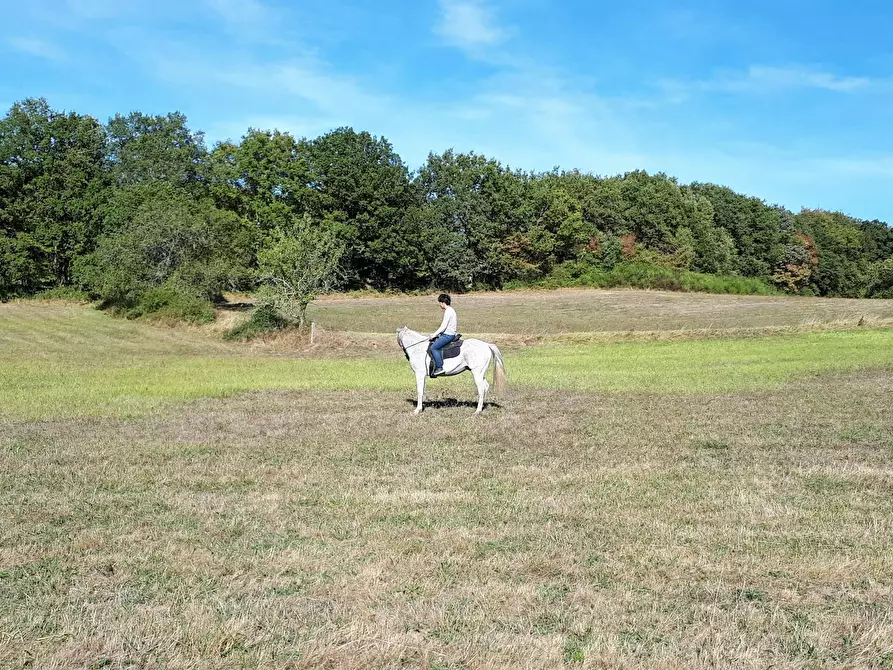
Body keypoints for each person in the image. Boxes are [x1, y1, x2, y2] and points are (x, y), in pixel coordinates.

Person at [428, 293, 458, 375]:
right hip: (448, 333)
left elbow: (443, 326)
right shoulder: (451, 310)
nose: (439, 305)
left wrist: (434, 335)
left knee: (434, 348)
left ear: (442, 302)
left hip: (448, 335)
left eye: (439, 303)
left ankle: (439, 367)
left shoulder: (448, 311)